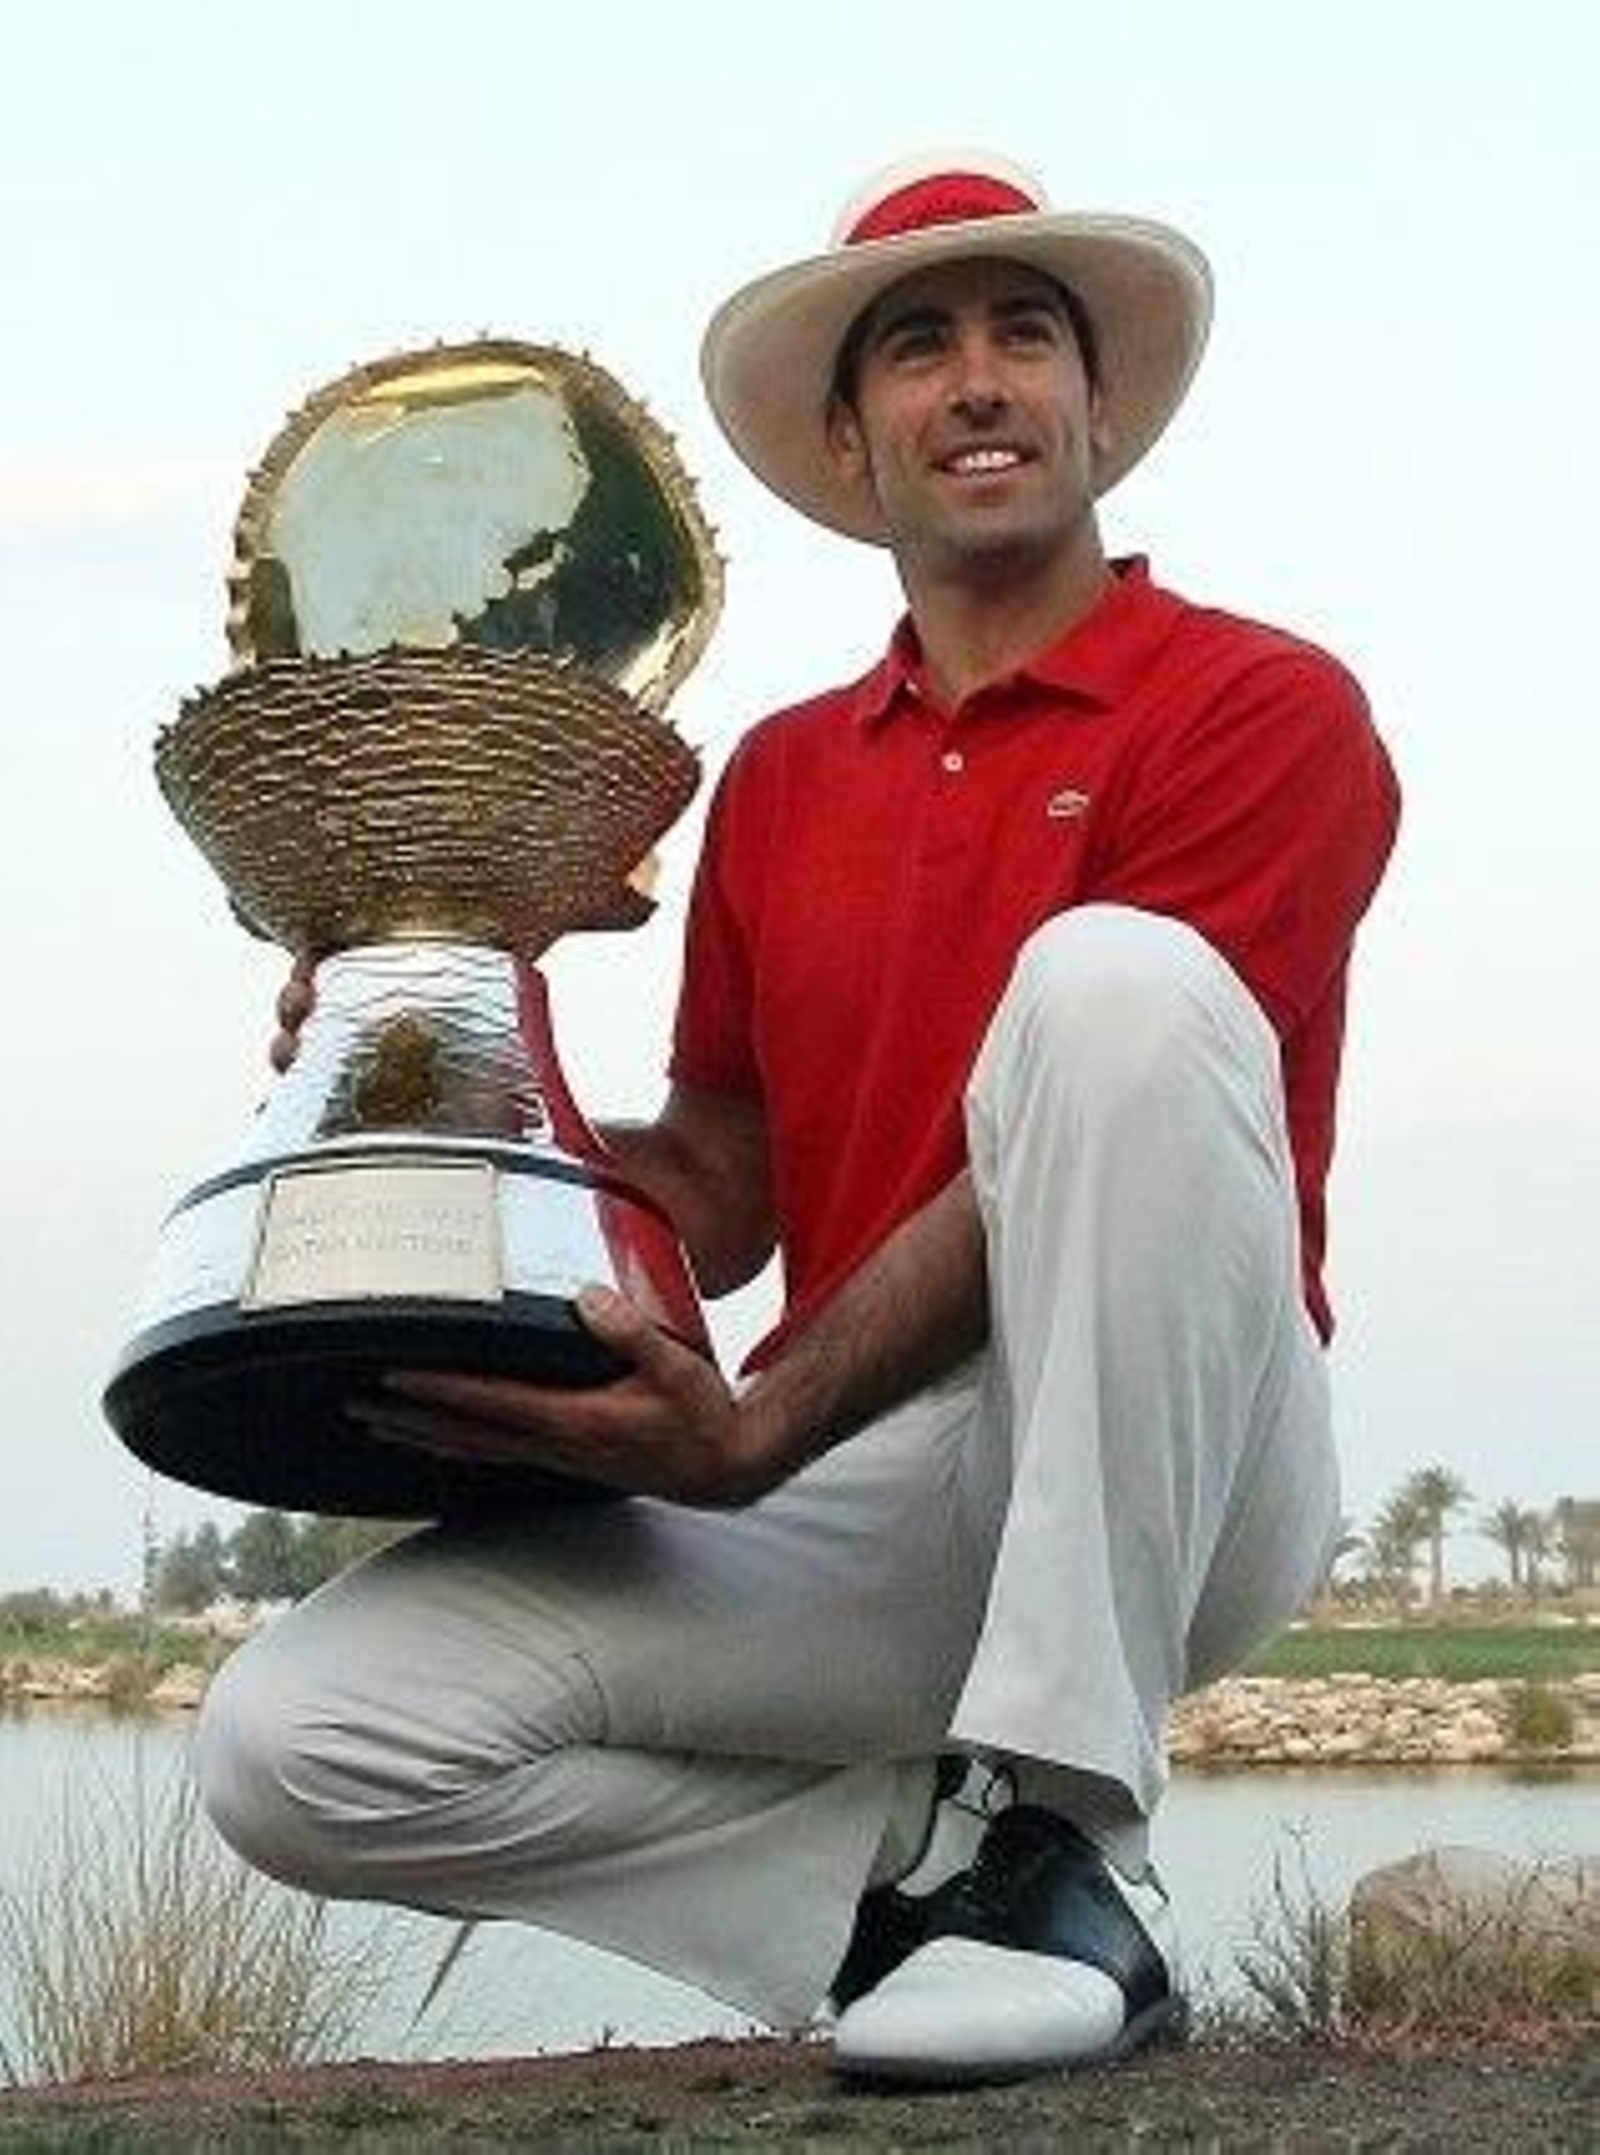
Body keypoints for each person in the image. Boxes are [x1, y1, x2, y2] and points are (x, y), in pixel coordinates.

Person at [194, 149, 1400, 2086]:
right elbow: (721, 1189)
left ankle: (1069, 1827)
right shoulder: (773, 778)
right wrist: (439, 1047)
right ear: (851, 441)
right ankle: (910, 1892)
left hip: (1180, 1452)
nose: (978, 381)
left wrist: (755, 1429)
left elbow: (1107, 1135)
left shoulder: (1262, 705)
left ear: (1099, 409)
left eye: (1024, 335)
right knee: (295, 1741)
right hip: (871, 1470)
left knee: (1114, 990)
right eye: (917, 347)